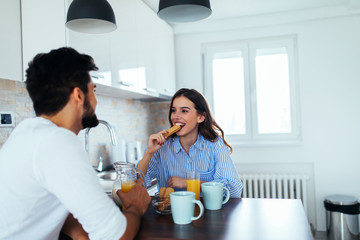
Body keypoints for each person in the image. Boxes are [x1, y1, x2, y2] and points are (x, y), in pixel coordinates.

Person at [0, 47, 150, 240]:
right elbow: (116, 236)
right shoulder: (57, 142)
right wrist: (136, 206)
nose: (95, 100)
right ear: (79, 95)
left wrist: (80, 233)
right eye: (93, 90)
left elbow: (45, 205)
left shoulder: (26, 132)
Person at [137, 88, 243, 198]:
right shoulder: (161, 147)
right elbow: (136, 184)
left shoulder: (215, 144)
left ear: (200, 117)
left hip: (206, 211)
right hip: (170, 213)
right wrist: (149, 153)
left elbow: (234, 190)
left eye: (184, 111)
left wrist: (190, 183)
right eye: (173, 110)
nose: (175, 117)